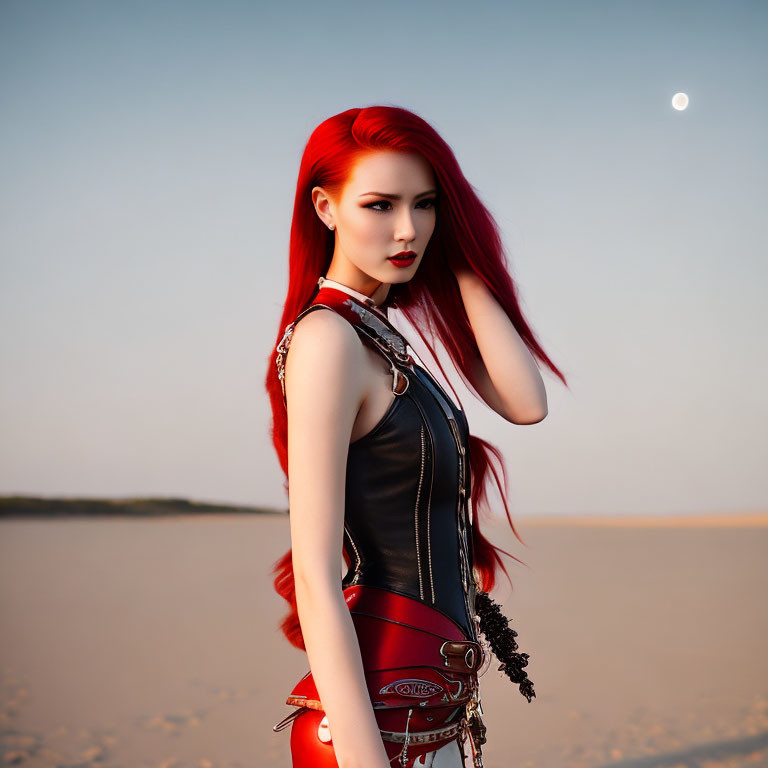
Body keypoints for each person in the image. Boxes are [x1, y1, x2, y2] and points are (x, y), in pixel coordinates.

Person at [266, 106, 567, 768]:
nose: (408, 230)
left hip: (429, 704)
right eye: (379, 205)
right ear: (326, 207)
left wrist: (457, 258)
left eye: (426, 205)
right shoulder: (327, 341)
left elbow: (526, 402)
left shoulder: (377, 334)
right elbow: (316, 572)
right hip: (375, 722)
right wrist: (364, 757)